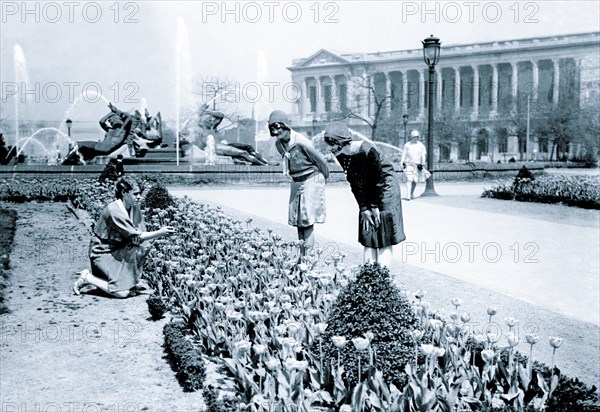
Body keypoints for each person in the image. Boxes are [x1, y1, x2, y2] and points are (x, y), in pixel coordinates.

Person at [73, 177, 175, 298]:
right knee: (122, 293)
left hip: (119, 249)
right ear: (124, 192)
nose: (139, 197)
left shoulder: (134, 207)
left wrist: (137, 240)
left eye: (140, 194)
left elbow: (139, 234)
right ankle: (87, 278)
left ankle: (123, 281)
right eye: (135, 194)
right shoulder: (114, 210)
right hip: (103, 253)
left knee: (141, 248)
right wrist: (161, 232)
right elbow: (137, 234)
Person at [322, 121, 405, 267]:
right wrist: (364, 208)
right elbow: (354, 182)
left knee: (383, 236)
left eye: (331, 144)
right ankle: (368, 276)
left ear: (340, 141)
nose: (329, 149)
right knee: (368, 234)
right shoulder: (341, 154)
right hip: (369, 192)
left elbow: (377, 178)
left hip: (386, 190)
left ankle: (381, 278)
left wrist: (373, 206)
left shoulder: (367, 150)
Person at [268, 110, 330, 258]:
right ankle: (302, 255)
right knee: (297, 219)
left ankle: (308, 258)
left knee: (307, 220)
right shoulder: (279, 144)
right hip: (296, 180)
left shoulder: (301, 141)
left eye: (279, 130)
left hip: (311, 178)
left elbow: (319, 160)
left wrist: (323, 179)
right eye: (274, 132)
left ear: (286, 126)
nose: (277, 134)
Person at [400, 130, 429, 200]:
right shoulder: (407, 145)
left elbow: (423, 155)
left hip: (417, 165)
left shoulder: (421, 145)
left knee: (415, 180)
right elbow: (404, 154)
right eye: (414, 137)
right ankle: (408, 196)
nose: (416, 138)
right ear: (411, 137)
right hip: (408, 164)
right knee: (409, 179)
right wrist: (401, 162)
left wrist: (423, 163)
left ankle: (411, 193)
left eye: (417, 137)